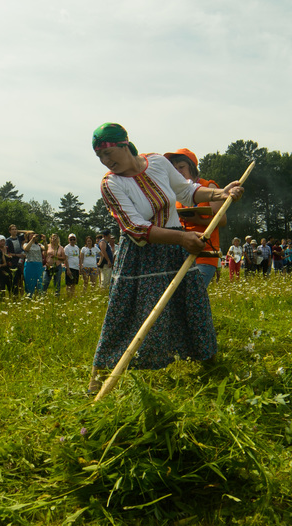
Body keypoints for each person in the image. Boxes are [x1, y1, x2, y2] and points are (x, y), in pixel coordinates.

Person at [87, 123, 244, 393]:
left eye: (110, 152)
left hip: (174, 249)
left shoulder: (158, 163)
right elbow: (135, 227)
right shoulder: (111, 184)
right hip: (140, 255)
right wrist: (182, 238)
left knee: (193, 304)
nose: (106, 161)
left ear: (125, 145)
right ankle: (100, 374)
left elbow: (188, 191)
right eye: (101, 157)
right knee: (126, 314)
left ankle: (211, 366)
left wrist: (221, 193)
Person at [165, 148, 225, 290]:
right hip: (180, 251)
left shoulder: (209, 186)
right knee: (179, 296)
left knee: (195, 293)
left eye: (181, 167)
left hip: (205, 251)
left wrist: (197, 220)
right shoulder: (174, 192)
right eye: (174, 169)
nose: (178, 171)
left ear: (192, 167)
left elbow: (222, 220)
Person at [4, 224, 25, 297]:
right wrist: (16, 255)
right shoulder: (8, 240)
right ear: (9, 231)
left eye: (15, 229)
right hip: (13, 262)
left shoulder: (19, 238)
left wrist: (19, 231)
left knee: (21, 279)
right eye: (12, 229)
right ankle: (14, 296)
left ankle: (21, 295)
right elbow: (7, 253)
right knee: (14, 280)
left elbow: (29, 232)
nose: (14, 230)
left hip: (21, 261)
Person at [63, 233, 81, 298]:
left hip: (76, 268)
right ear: (68, 240)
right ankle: (68, 296)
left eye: (74, 239)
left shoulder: (77, 248)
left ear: (76, 240)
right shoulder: (67, 248)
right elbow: (66, 259)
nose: (72, 240)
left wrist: (79, 268)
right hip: (70, 268)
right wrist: (68, 269)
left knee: (74, 284)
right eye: (71, 239)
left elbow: (79, 258)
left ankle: (72, 296)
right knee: (69, 284)